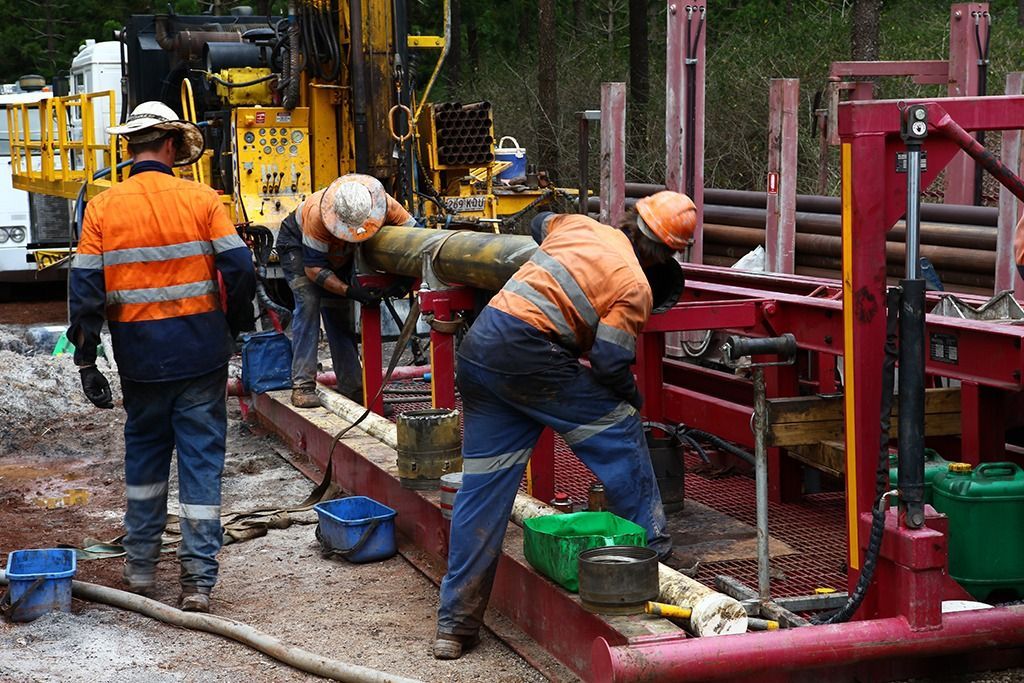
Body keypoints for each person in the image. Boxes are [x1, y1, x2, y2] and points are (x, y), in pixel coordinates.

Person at [434, 191, 698, 659]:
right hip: (530, 359)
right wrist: (634, 398)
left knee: (484, 491)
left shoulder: (577, 225)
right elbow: (609, 361)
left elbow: (539, 221)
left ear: (632, 219)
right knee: (619, 427)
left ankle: (454, 627)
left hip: (480, 354)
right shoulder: (635, 287)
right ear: (667, 256)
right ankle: (654, 557)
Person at [68, 101, 257, 613]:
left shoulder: (103, 207)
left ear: (131, 147)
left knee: (146, 460)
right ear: (172, 145)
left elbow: (85, 288)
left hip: (140, 360)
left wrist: (87, 361)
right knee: (200, 466)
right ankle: (197, 583)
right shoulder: (202, 199)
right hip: (200, 355)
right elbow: (240, 268)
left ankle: (141, 569)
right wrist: (234, 324)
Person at [275, 173, 417, 409]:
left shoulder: (386, 205)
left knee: (338, 315)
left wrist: (404, 280)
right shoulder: (317, 216)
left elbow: (417, 239)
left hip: (342, 252)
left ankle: (353, 388)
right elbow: (313, 269)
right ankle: (302, 385)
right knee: (309, 302)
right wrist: (351, 292)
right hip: (298, 247)